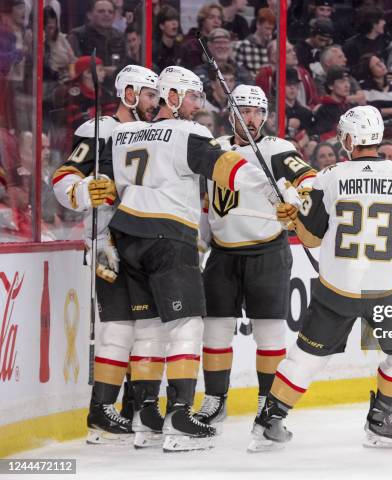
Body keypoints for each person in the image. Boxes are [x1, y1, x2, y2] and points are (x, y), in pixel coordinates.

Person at [92, 66, 300, 452]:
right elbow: (228, 168)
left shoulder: (124, 133)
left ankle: (146, 417)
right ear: (171, 97)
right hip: (168, 238)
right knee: (186, 328)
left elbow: (101, 184)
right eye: (192, 96)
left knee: (149, 329)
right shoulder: (189, 132)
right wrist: (273, 192)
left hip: (126, 235)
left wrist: (102, 234)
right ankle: (181, 417)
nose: (198, 104)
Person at [249, 105, 392, 452]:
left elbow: (310, 239)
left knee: (307, 355)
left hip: (337, 288)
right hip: (389, 289)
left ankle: (269, 421)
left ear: (349, 138)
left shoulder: (327, 176)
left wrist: (295, 216)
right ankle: (382, 420)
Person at [194, 85, 316, 432]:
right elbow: (205, 201)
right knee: (215, 331)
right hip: (222, 253)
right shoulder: (214, 148)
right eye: (243, 110)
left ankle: (266, 402)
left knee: (269, 334)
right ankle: (215, 400)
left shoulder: (276, 149)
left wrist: (295, 198)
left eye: (256, 111)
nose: (250, 118)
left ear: (264, 115)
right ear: (231, 113)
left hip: (267, 252)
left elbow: (308, 178)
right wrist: (202, 241)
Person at [51, 65, 160, 445]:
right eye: (149, 94)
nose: (155, 102)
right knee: (117, 327)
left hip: (148, 241)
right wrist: (84, 191)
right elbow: (64, 177)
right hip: (107, 242)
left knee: (149, 327)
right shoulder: (98, 129)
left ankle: (136, 405)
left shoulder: (158, 131)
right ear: (128, 92)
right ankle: (102, 410)